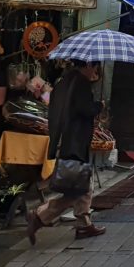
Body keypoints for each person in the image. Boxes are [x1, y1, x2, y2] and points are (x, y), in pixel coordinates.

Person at [27, 60, 106, 244]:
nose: (94, 72)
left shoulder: (64, 82)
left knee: (81, 186)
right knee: (79, 187)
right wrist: (99, 106)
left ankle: (83, 224)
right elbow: (83, 109)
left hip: (66, 138)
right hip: (75, 141)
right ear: (87, 65)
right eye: (94, 67)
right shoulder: (81, 83)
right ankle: (40, 217)